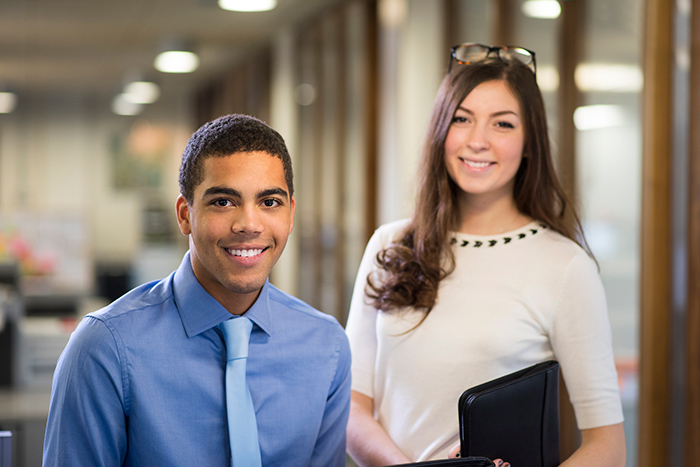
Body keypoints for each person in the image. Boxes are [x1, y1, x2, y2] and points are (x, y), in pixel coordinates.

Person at [345, 43, 626, 466]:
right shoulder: (389, 244)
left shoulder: (565, 267)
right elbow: (351, 405)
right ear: (442, 130)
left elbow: (607, 445)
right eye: (462, 119)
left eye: (503, 124)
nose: (477, 141)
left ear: (530, 142)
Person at [43, 114, 352, 466]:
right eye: (223, 201)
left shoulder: (326, 346)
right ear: (185, 214)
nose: (249, 225)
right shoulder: (105, 348)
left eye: (269, 202)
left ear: (291, 214)